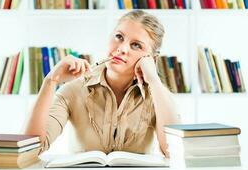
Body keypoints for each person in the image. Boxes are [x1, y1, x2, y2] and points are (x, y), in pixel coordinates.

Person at [25, 10, 180, 157]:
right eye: (119, 37)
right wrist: (51, 81)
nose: (122, 49)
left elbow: (172, 151)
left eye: (136, 45)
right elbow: (30, 150)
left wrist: (153, 80)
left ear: (152, 59)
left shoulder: (159, 95)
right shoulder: (74, 89)